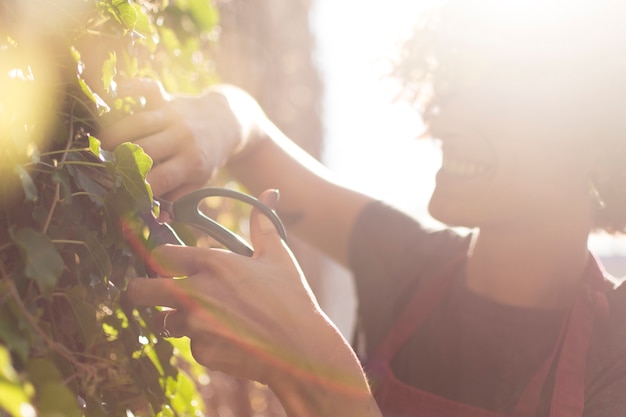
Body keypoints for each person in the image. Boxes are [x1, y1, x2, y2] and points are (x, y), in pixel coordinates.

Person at [98, 1, 626, 416]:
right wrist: (219, 122)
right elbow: (253, 135)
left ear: (598, 136)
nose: (444, 123)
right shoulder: (408, 262)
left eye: (496, 101)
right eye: (453, 91)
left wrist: (309, 368)